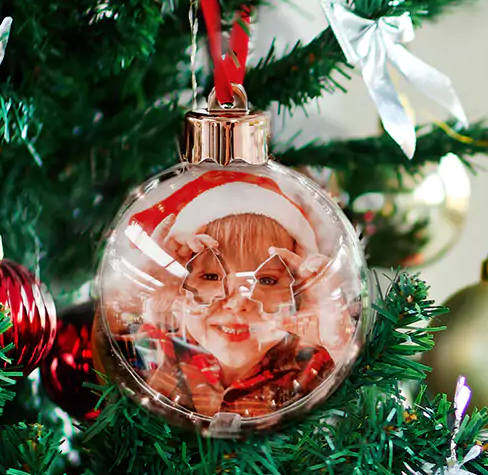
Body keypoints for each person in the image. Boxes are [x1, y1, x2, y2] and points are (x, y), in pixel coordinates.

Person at [109, 171, 358, 421]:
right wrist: (144, 285)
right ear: (178, 287)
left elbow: (367, 422)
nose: (238, 303)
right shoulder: (153, 352)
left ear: (297, 292)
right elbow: (98, 361)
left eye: (267, 280)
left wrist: (338, 339)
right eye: (211, 277)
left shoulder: (315, 368)